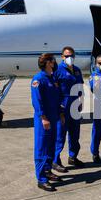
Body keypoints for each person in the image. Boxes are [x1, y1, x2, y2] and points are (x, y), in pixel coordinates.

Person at [31, 53, 65, 192]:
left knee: (51, 146)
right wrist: (43, 117)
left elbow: (58, 98)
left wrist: (61, 113)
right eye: (53, 61)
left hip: (55, 117)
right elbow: (37, 101)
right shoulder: (38, 79)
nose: (55, 63)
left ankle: (48, 171)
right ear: (47, 63)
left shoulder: (53, 78)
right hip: (44, 119)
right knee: (42, 148)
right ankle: (41, 179)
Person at [54, 46, 85, 170]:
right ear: (62, 57)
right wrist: (58, 106)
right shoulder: (58, 70)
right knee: (60, 135)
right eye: (67, 56)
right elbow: (55, 89)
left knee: (74, 134)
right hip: (63, 104)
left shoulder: (77, 70)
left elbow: (80, 87)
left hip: (75, 105)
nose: (69, 58)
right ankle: (56, 160)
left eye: (71, 56)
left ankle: (73, 157)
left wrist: (81, 101)